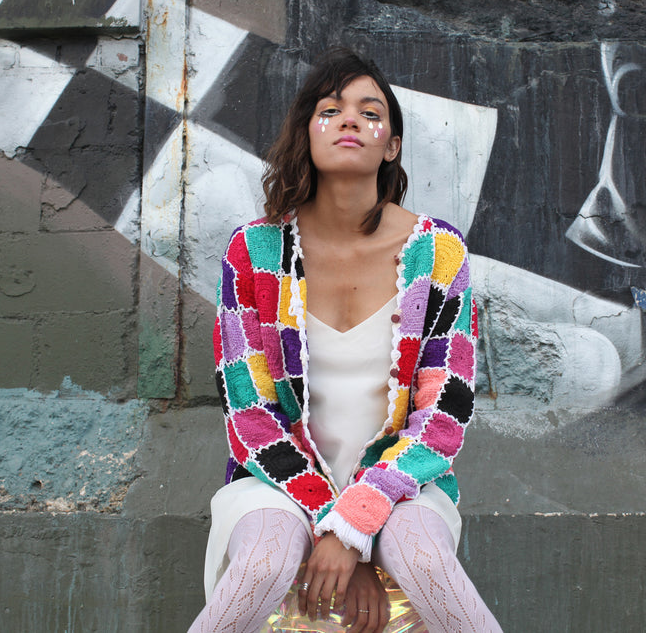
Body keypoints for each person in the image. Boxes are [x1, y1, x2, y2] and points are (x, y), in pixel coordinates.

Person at [189, 47, 502, 633]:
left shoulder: (437, 253)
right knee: (261, 564)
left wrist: (356, 524)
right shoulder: (254, 253)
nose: (351, 120)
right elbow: (249, 414)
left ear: (392, 144)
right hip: (275, 483)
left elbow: (444, 416)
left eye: (370, 111)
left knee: (427, 560)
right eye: (330, 111)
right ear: (306, 133)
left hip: (404, 484)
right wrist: (334, 526)